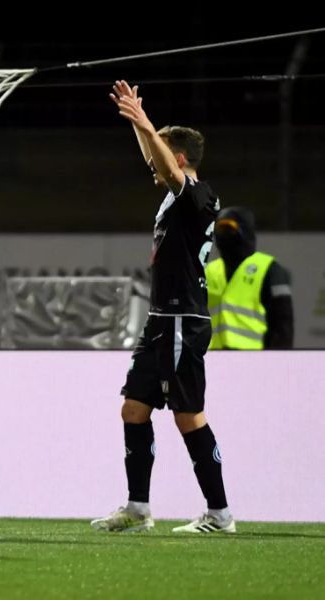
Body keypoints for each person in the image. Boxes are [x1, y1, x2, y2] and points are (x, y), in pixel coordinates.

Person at [91, 80, 235, 534]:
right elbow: (156, 159)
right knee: (134, 408)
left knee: (188, 416)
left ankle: (219, 514)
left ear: (180, 158)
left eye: (160, 153)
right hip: (161, 321)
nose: (150, 162)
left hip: (181, 320)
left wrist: (144, 121)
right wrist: (139, 123)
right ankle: (137, 508)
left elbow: (165, 166)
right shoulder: (175, 194)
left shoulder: (198, 195)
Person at [206, 206, 293, 349]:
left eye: (229, 228)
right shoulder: (209, 271)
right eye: (220, 228)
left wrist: (278, 364)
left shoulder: (269, 269)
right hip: (214, 360)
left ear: (244, 230)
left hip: (254, 361)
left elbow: (282, 326)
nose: (224, 234)